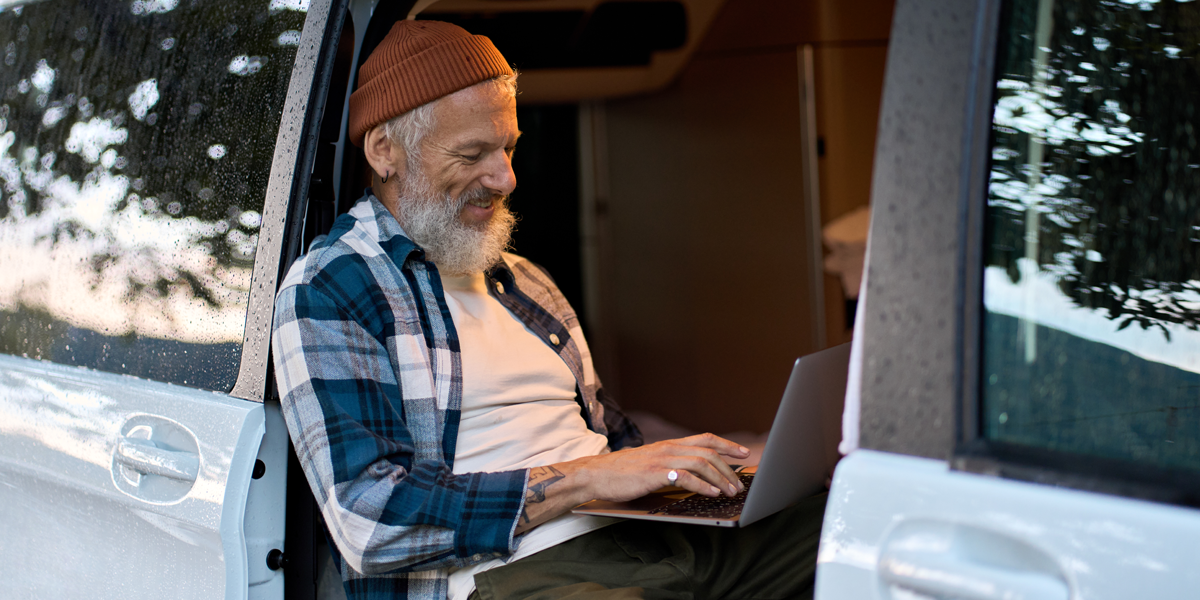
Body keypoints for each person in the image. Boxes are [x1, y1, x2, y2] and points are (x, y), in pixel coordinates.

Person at [271, 19, 825, 600]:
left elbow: (613, 442)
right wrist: (591, 480)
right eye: (472, 153)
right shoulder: (330, 289)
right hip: (518, 572)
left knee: (862, 525)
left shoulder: (526, 281)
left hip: (652, 537)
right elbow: (371, 522)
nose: (505, 176)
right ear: (385, 151)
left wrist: (707, 476)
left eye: (509, 146)